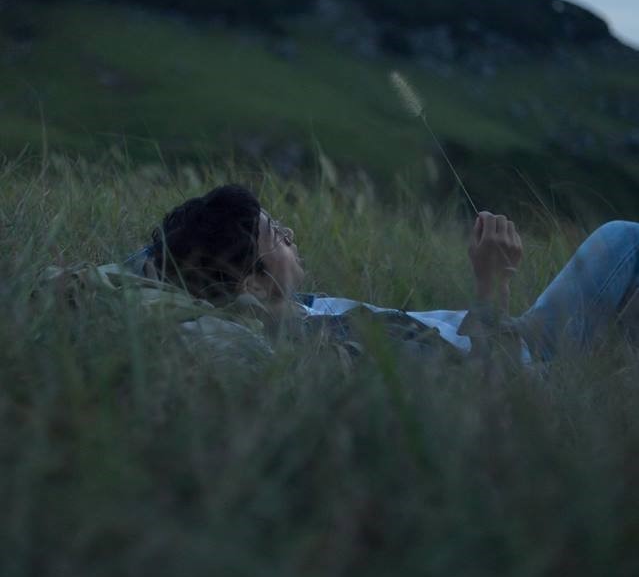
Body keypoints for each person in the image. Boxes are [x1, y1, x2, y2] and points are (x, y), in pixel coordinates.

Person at [123, 184, 639, 364]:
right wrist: (493, 284)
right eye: (277, 237)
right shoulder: (327, 345)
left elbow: (143, 262)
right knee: (625, 238)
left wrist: (175, 253)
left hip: (481, 331)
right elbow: (489, 392)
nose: (292, 235)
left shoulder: (284, 307)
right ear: (252, 282)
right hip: (522, 353)